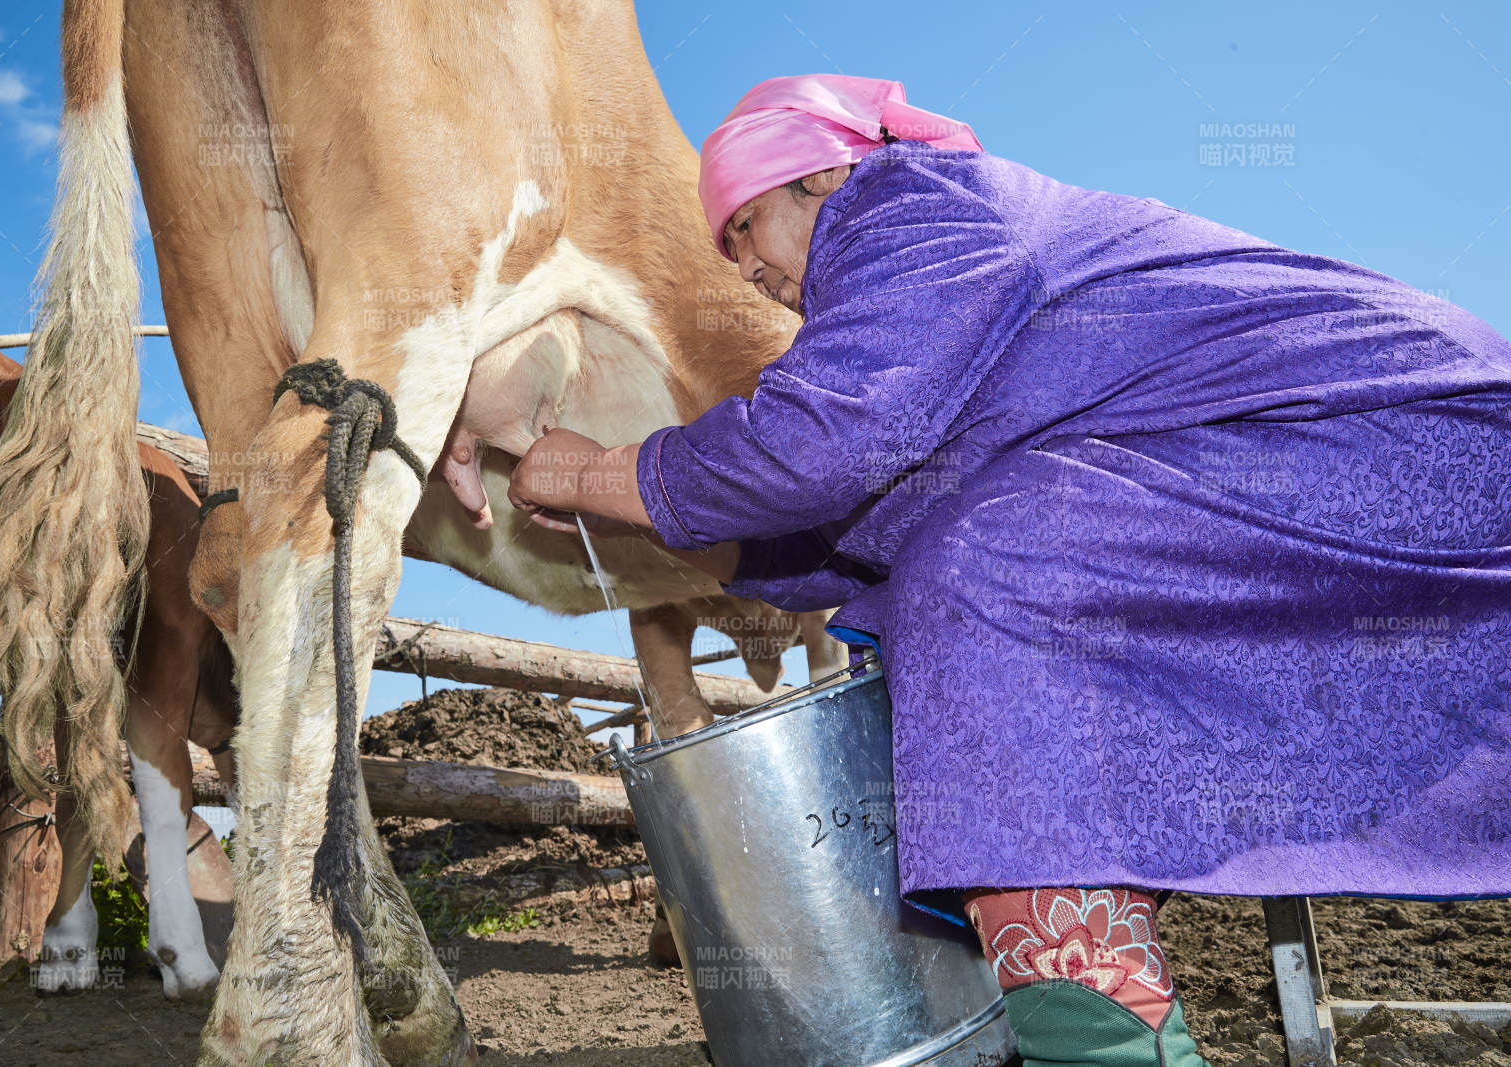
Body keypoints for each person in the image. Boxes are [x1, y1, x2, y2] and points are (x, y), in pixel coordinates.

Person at [506, 73, 1511, 1067]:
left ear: (818, 179)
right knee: (992, 553)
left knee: (995, 569)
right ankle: (1105, 1027)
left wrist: (605, 470)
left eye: (746, 227)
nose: (743, 272)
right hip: (1384, 456)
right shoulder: (941, 263)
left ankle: (1101, 1044)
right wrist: (669, 516)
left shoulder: (907, 204)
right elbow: (859, 508)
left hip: (1392, 441)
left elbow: (829, 440)